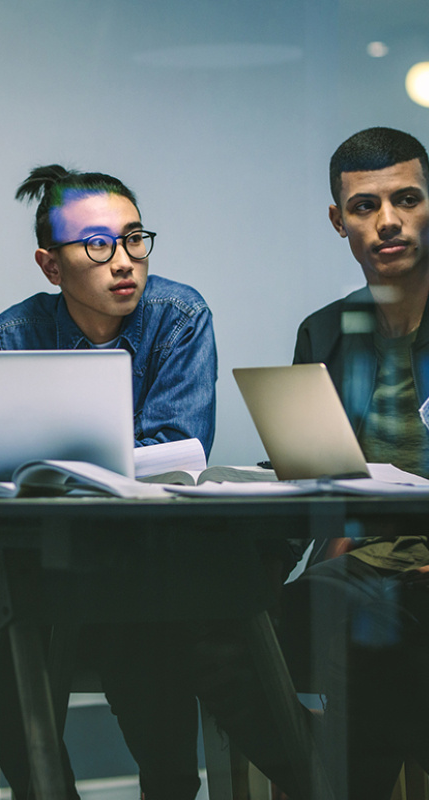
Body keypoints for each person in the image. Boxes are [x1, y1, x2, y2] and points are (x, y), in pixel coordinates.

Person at [0, 165, 218, 799]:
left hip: (144, 569)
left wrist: (54, 467)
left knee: (149, 644)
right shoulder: (6, 340)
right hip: (36, 575)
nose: (124, 262)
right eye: (98, 245)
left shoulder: (178, 316)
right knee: (1, 665)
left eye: (135, 239)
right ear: (51, 267)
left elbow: (176, 451)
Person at [280, 127, 429, 799]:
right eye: (365, 206)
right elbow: (314, 478)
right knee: (224, 630)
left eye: (407, 199)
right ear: (338, 221)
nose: (388, 221)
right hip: (355, 575)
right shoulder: (326, 331)